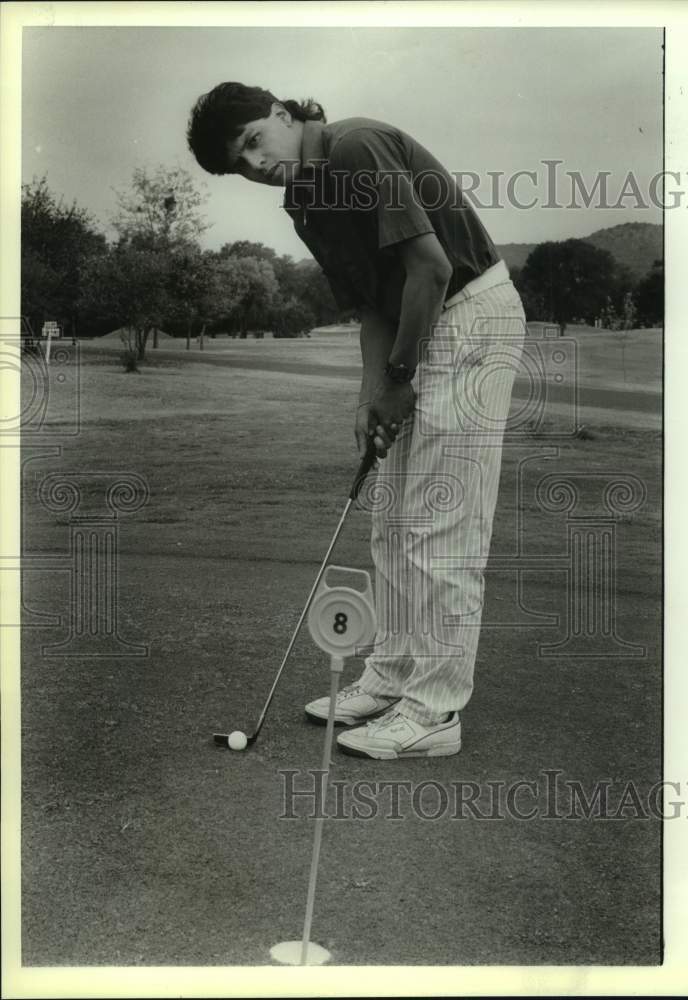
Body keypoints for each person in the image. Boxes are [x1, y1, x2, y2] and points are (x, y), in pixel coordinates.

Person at [187, 83, 526, 759]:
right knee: (393, 520)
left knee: (440, 520)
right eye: (239, 165)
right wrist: (370, 397)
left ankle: (434, 710)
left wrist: (399, 382)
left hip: (471, 316)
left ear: (284, 113)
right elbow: (375, 307)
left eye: (256, 139)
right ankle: (394, 676)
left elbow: (429, 268)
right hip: (416, 328)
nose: (256, 165)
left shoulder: (354, 147)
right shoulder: (305, 201)